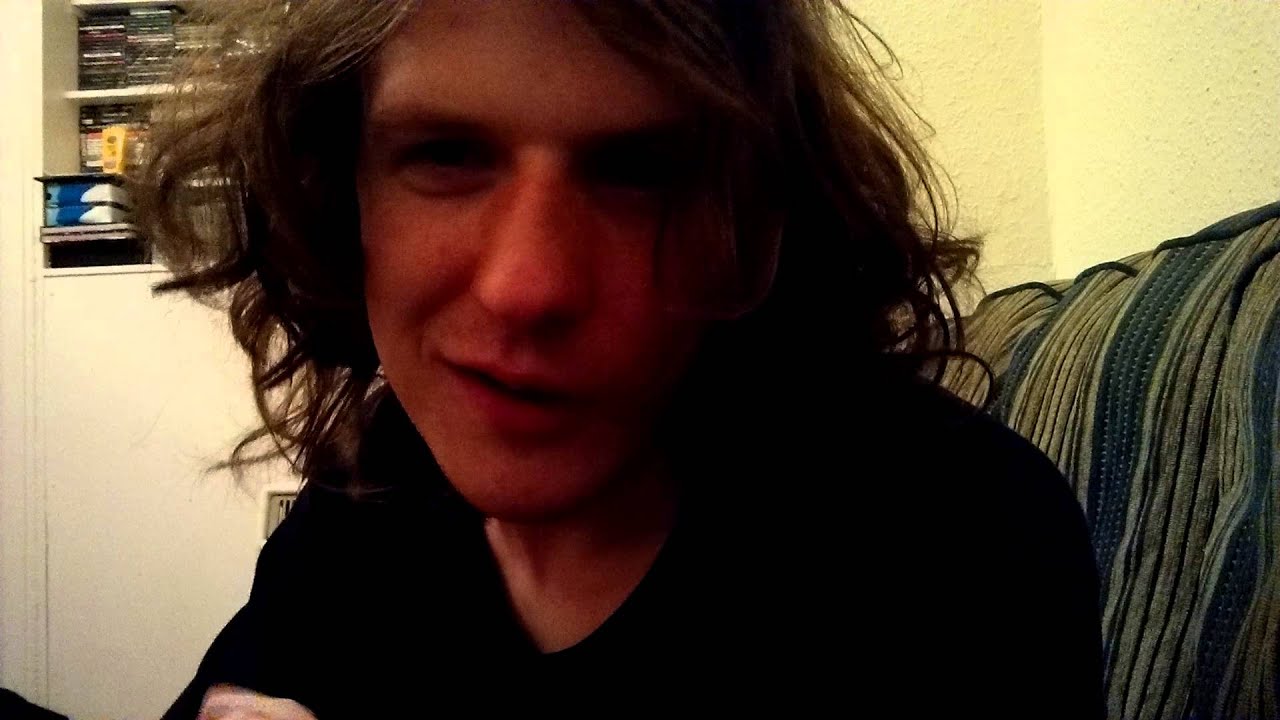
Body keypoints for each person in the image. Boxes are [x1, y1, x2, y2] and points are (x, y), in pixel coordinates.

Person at [138, 1, 1103, 717]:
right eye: (446, 154)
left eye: (641, 172)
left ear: (759, 219)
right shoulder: (370, 497)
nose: (528, 287)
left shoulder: (960, 538)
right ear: (338, 191)